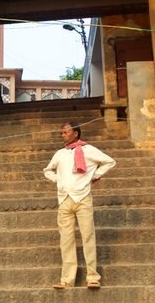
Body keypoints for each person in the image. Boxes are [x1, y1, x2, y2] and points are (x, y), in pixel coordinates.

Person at [43, 121, 116, 290]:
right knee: (66, 240)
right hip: (64, 200)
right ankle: (67, 279)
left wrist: (94, 175)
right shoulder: (60, 154)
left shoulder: (88, 150)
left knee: (88, 236)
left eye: (65, 132)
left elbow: (109, 162)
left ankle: (92, 277)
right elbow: (48, 170)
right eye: (62, 133)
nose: (63, 135)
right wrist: (59, 181)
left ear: (75, 134)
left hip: (83, 197)